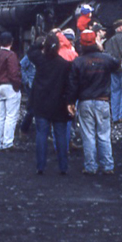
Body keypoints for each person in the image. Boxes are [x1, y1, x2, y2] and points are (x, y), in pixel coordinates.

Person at [67, 30, 120, 175]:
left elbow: (72, 84)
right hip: (102, 100)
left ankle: (90, 166)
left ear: (81, 43)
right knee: (104, 135)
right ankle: (107, 166)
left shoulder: (78, 62)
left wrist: (70, 102)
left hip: (85, 101)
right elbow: (117, 65)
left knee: (88, 135)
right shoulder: (105, 59)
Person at [27, 33, 73, 174]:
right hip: (59, 104)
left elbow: (30, 51)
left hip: (42, 102)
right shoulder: (64, 65)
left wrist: (41, 42)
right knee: (60, 135)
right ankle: (63, 167)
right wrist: (69, 102)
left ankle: (40, 166)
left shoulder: (40, 60)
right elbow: (68, 85)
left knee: (41, 134)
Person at [0, 32, 21, 151]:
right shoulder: (11, 55)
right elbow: (13, 73)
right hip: (9, 86)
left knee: (1, 116)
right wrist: (18, 85)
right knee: (11, 116)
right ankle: (8, 142)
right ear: (11, 42)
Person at [104, 20, 122, 123]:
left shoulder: (109, 41)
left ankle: (115, 116)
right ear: (120, 28)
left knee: (115, 92)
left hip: (113, 69)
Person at [18, 37, 41, 138]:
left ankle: (25, 129)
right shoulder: (30, 57)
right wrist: (26, 81)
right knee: (33, 108)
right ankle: (24, 129)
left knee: (35, 108)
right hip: (31, 84)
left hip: (38, 84)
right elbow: (21, 66)